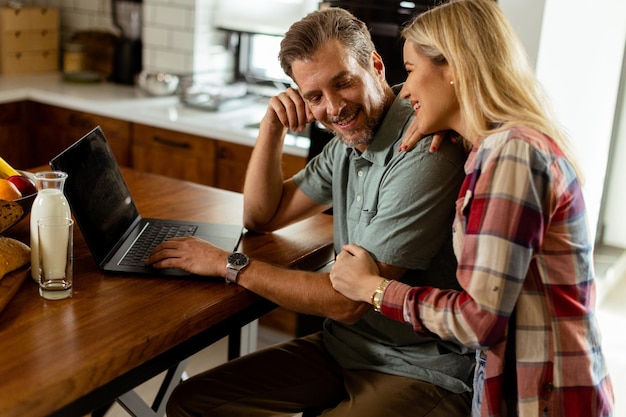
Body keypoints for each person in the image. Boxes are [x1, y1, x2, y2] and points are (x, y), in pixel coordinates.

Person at [147, 7, 475, 417]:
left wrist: (227, 264)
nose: (334, 108)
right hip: (347, 347)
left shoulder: (423, 149)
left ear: (375, 64)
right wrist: (272, 126)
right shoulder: (347, 143)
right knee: (192, 403)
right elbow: (262, 215)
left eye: (344, 84)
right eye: (314, 96)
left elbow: (346, 302)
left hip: (422, 370)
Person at [328, 1, 615, 416]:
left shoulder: (512, 155)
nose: (404, 91)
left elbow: (478, 320)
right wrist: (455, 129)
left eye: (409, 71)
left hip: (548, 398)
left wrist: (372, 289)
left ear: (455, 67)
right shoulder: (495, 151)